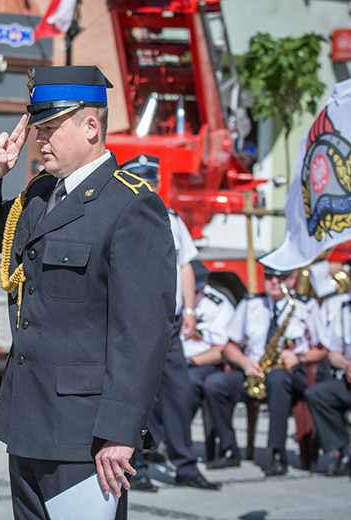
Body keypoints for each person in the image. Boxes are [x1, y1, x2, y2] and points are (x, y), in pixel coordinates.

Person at [0, 65, 176, 519]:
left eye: (51, 128)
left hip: (86, 437)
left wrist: (120, 431)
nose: (40, 140)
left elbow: (143, 334)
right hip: (28, 421)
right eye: (38, 129)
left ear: (91, 126)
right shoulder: (38, 196)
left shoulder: (131, 206)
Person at [119, 156, 221, 492]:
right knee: (140, 398)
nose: (151, 186)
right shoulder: (124, 217)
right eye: (144, 179)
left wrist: (190, 311)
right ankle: (139, 468)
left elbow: (186, 266)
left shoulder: (172, 219)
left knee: (179, 395)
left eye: (154, 179)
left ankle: (186, 466)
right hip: (138, 325)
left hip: (171, 325)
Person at [204, 260, 326, 476]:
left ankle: (277, 452)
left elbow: (322, 349)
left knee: (277, 379)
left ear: (292, 279)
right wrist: (244, 362)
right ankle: (230, 448)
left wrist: (298, 357)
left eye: (281, 278)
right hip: (254, 371)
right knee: (215, 384)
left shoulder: (306, 306)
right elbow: (230, 347)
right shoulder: (251, 304)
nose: (274, 282)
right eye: (269, 277)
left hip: (289, 374)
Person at [305, 251, 351, 481]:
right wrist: (347, 365)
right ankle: (343, 450)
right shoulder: (348, 309)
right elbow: (332, 352)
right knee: (317, 395)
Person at [183, 261, 235, 463]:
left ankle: (177, 442)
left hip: (202, 362)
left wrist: (190, 361)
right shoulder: (177, 300)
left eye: (195, 291)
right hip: (174, 360)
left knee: (185, 384)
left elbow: (223, 349)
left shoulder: (218, 305)